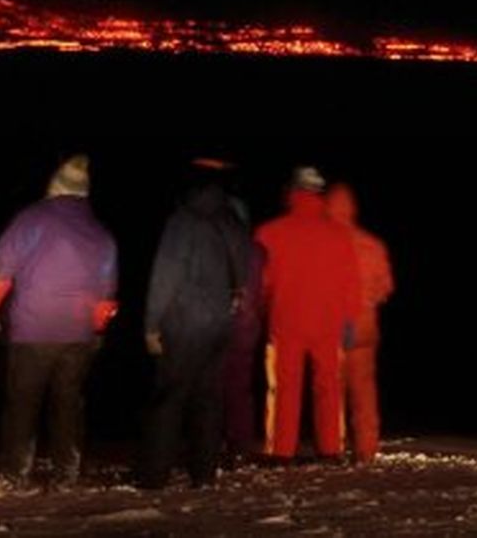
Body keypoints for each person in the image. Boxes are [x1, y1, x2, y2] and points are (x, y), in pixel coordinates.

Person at [0, 155, 118, 496]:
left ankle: (13, 476)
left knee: (23, 403)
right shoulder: (101, 234)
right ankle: (67, 475)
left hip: (32, 331)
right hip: (78, 336)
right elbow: (107, 292)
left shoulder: (31, 220)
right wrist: (96, 329)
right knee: (69, 404)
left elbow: (1, 270)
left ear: (54, 187)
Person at [135, 159, 253, 489]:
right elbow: (244, 271)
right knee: (209, 398)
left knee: (169, 397)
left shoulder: (182, 221)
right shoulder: (232, 221)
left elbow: (165, 276)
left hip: (185, 322)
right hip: (220, 323)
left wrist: (151, 324)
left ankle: (154, 475)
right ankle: (203, 473)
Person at [254, 166, 361, 462]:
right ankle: (330, 449)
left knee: (284, 388)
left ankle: (281, 451)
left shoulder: (269, 232)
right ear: (320, 194)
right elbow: (350, 282)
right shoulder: (339, 235)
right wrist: (349, 321)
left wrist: (261, 312)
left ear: (292, 192)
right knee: (329, 387)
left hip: (285, 320)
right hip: (329, 322)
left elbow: (261, 282)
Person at [326, 182, 395, 463]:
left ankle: (334, 446)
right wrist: (369, 301)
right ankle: (366, 449)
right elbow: (386, 286)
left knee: (332, 390)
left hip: (331, 326)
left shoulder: (323, 243)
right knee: (364, 391)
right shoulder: (372, 243)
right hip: (364, 326)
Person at [220, 195, 267, 466]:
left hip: (219, 324)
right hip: (247, 326)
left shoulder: (217, 245)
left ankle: (215, 442)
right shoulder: (258, 250)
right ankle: (239, 444)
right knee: (239, 388)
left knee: (213, 388)